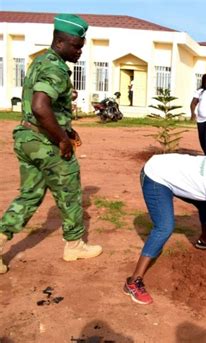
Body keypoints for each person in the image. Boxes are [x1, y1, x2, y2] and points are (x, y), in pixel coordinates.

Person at [0, 14, 102, 274]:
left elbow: (46, 106)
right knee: (69, 191)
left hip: (26, 138)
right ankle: (74, 245)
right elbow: (40, 106)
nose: (80, 51)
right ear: (60, 42)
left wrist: (67, 127)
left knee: (29, 194)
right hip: (45, 142)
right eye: (76, 46)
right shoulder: (55, 66)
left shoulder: (41, 61)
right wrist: (62, 139)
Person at [123, 153, 206, 305]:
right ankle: (133, 282)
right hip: (155, 177)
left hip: (166, 168)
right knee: (164, 227)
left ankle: (205, 240)